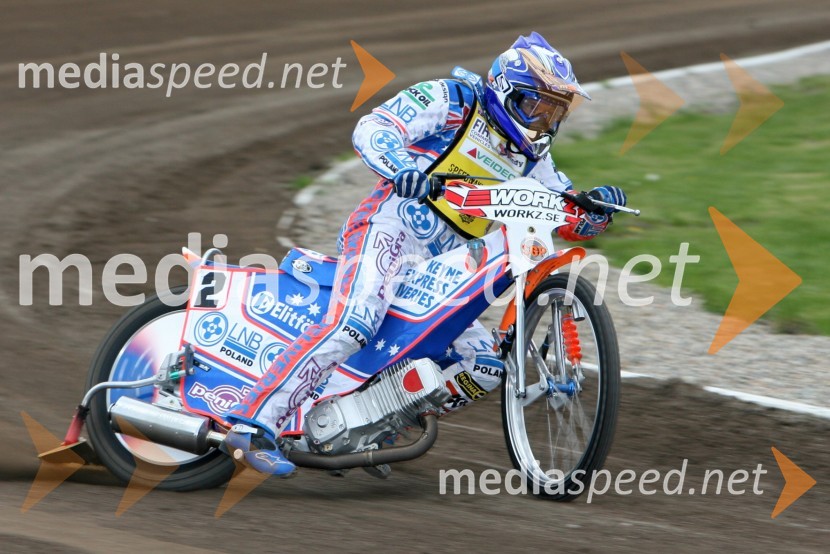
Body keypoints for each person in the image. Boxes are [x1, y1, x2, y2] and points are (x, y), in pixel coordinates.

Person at [222, 32, 627, 475]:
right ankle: (253, 424)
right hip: (387, 230)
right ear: (508, 94)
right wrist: (403, 169)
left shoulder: (532, 159)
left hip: (440, 268)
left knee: (486, 365)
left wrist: (596, 206)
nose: (546, 123)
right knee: (354, 323)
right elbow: (374, 128)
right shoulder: (454, 100)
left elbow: (568, 215)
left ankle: (368, 425)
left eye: (555, 113)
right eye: (538, 108)